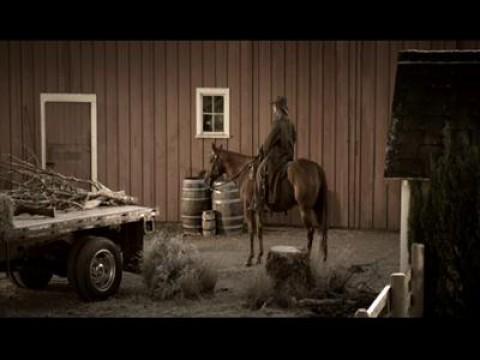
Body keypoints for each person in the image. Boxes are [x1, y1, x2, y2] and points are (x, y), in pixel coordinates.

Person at [254, 96, 296, 211]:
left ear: (278, 109)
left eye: (274, 108)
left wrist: (262, 151)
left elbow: (268, 143)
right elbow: (294, 139)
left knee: (260, 171)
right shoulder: (290, 124)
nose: (273, 110)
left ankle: (261, 201)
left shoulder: (277, 124)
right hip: (289, 156)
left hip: (278, 157)